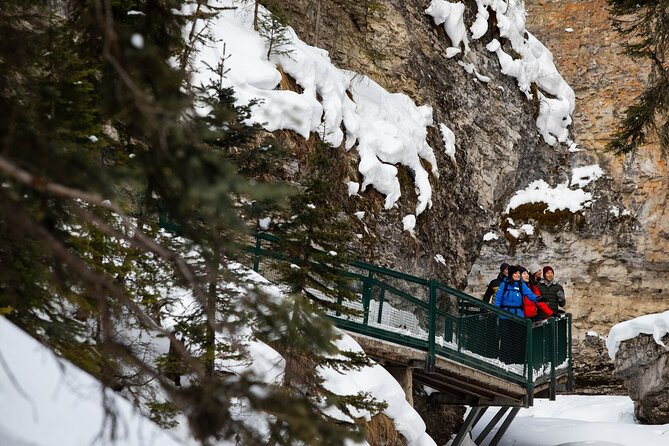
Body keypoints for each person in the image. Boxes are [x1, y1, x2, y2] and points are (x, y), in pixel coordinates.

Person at [494, 265, 538, 364]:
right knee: (505, 338)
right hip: (504, 314)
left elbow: (529, 294)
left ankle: (517, 361)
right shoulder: (504, 284)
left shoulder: (521, 285)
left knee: (517, 338)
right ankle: (504, 360)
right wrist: (496, 311)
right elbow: (498, 298)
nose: (518, 275)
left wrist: (537, 298)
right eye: (516, 273)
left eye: (519, 273)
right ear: (511, 274)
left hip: (518, 315)